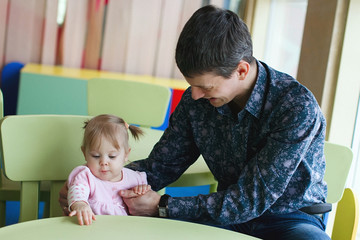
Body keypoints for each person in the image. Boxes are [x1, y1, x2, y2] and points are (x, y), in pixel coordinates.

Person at [60, 5, 330, 239]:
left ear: (241, 70)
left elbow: (251, 199)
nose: (195, 95)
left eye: (205, 86)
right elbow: (160, 166)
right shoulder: (196, 101)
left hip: (291, 220)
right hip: (224, 219)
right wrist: (97, 185)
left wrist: (163, 206)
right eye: (191, 85)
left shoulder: (295, 107)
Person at [66, 114, 150, 225]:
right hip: (92, 231)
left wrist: (142, 190)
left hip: (126, 231)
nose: (104, 162)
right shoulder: (86, 176)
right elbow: (78, 190)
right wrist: (80, 204)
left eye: (112, 156)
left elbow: (145, 203)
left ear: (126, 154)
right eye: (96, 156)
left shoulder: (135, 178)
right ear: (84, 153)